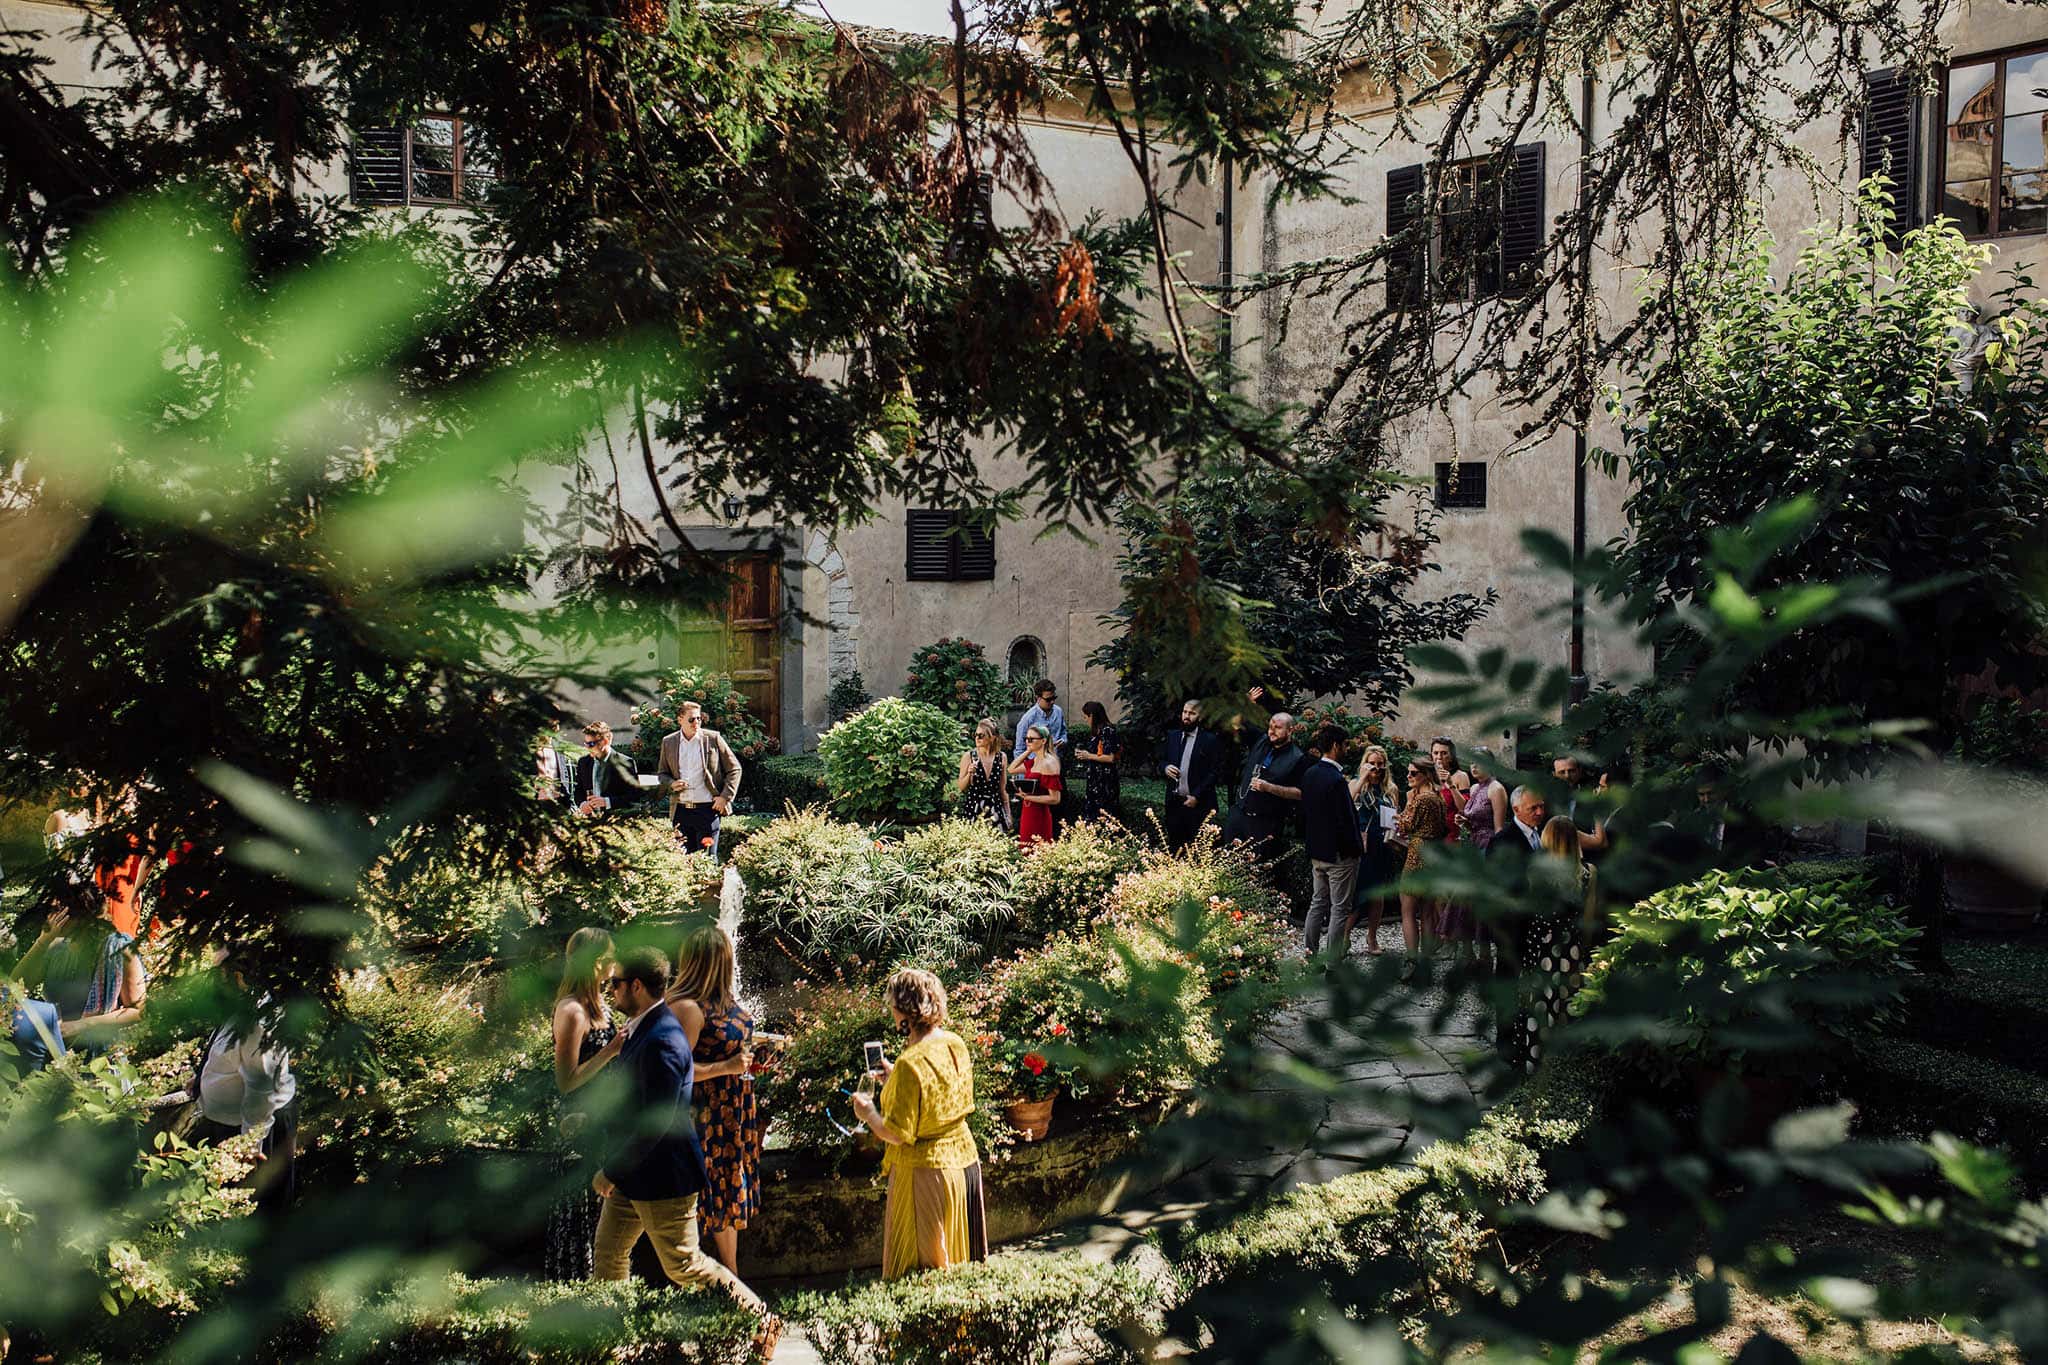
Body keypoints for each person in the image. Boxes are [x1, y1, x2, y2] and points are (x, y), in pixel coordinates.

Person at [590, 947, 779, 1356]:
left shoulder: (664, 1039)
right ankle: (611, 1347)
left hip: (662, 1174)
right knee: (608, 1255)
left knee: (684, 1264)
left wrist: (613, 1169)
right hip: (635, 1171)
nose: (611, 991)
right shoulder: (644, 1027)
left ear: (636, 987)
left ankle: (761, 1319)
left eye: (616, 984)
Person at [848, 968, 988, 1279]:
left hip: (926, 1173)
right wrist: (894, 1074)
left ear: (904, 1010)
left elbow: (897, 1133)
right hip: (965, 1165)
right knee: (961, 1259)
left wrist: (868, 1113)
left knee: (923, 1266)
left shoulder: (910, 1063)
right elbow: (938, 1092)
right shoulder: (954, 1043)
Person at [667, 924, 762, 1277]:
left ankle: (731, 1277)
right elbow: (678, 1070)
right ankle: (716, 1280)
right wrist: (727, 1066)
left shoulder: (723, 1001)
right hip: (705, 1113)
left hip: (732, 1110)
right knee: (705, 1195)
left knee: (726, 1192)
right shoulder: (688, 1008)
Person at [190, 955, 299, 1217]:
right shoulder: (242, 1009)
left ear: (238, 978)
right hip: (233, 1123)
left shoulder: (256, 1022)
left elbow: (261, 1089)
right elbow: (232, 1057)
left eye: (218, 975)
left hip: (254, 1129)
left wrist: (249, 1146)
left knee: (259, 1210)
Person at [545, 927, 623, 1281]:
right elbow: (566, 1081)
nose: (614, 962)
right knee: (582, 1226)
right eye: (609, 956)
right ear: (595, 963)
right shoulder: (572, 1011)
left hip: (605, 1125)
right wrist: (611, 1051)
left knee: (604, 1226)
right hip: (580, 1129)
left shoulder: (600, 1005)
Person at [1508, 817, 1598, 1073]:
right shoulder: (1590, 873)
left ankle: (1535, 1067)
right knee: (1568, 1010)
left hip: (1541, 948)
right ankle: (1566, 1072)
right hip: (1572, 948)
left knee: (1539, 1010)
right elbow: (1589, 919)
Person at [13, 900, 147, 1053]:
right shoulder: (55, 947)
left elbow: (137, 1011)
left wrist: (80, 1025)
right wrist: (42, 942)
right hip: (52, 1046)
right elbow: (13, 988)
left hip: (97, 1052)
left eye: (57, 911)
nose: (50, 917)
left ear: (81, 916)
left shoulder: (118, 949)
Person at [1224, 691, 1310, 864]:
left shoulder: (1298, 758)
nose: (1271, 731)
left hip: (1265, 823)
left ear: (1290, 730)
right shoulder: (1261, 739)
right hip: (1239, 814)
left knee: (1257, 871)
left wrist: (1269, 787)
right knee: (1227, 862)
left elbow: (1300, 793)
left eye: (1277, 728)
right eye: (1270, 726)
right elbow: (1234, 725)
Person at [1300, 726, 1363, 957]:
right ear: (1336, 745)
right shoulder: (1335, 779)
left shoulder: (1310, 773)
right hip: (1338, 854)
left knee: (1317, 904)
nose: (1347, 749)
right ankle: (1333, 965)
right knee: (1339, 909)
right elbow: (1344, 820)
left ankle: (1310, 955)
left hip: (1317, 851)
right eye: (1346, 744)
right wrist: (1355, 850)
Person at [659, 702, 743, 857]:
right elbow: (662, 774)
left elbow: (735, 769)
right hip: (681, 811)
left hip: (708, 810)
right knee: (683, 863)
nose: (696, 722)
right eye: (691, 719)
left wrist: (725, 797)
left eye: (699, 719)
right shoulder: (669, 742)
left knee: (708, 862)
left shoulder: (712, 738)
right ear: (680, 719)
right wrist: (672, 784)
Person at [1344, 745, 1401, 955]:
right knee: (1359, 894)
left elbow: (1396, 815)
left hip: (1382, 844)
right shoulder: (1355, 784)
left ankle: (1372, 939)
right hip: (1362, 845)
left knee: (1378, 894)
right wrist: (1363, 778)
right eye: (1372, 764)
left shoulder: (1391, 789)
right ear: (1364, 764)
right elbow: (1347, 802)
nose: (1376, 768)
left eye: (1380, 764)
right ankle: (1344, 938)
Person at [1393, 758, 1447, 971]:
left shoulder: (1420, 798)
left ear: (1425, 774)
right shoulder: (1438, 797)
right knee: (1427, 910)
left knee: (1407, 908)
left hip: (1417, 853)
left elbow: (1406, 825)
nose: (1408, 776)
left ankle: (1412, 959)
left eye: (1413, 773)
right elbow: (1443, 828)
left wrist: (1398, 817)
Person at [1161, 699, 1222, 851]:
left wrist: (1196, 795)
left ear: (1200, 717)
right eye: (1185, 712)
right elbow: (1161, 760)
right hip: (1174, 803)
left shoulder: (1209, 740)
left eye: (1192, 713)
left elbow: (1215, 772)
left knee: (1198, 850)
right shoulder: (1172, 736)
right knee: (1175, 848)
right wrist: (1165, 767)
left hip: (1199, 805)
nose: (1186, 716)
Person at [1009, 725, 1063, 847]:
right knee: (1025, 847)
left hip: (1039, 813)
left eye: (1031, 739)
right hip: (1028, 811)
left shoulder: (1048, 763)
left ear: (1043, 741)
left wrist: (1028, 798)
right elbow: (1011, 769)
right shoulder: (1035, 760)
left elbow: (1055, 798)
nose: (1028, 741)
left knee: (1038, 849)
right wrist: (1028, 750)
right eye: (1026, 739)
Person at [574, 721, 640, 818]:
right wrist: (582, 804)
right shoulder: (583, 762)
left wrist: (607, 802)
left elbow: (634, 797)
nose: (588, 748)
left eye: (591, 744)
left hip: (617, 822)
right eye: (586, 744)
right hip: (589, 821)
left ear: (606, 740)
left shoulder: (626, 763)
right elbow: (578, 791)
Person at [956, 718, 1012, 831]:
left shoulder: (1001, 758)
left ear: (992, 737)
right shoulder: (969, 757)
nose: (977, 738)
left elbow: (1002, 790)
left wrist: (1008, 814)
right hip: (974, 807)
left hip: (995, 808)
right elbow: (961, 787)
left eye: (981, 735)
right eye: (975, 735)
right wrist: (969, 773)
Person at [1073, 701, 1123, 822]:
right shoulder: (1097, 732)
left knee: (1104, 815)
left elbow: (1111, 757)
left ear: (1092, 715)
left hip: (1105, 781)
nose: (1086, 720)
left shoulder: (1107, 731)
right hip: (1095, 780)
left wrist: (1089, 755)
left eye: (1086, 717)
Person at [1552, 755, 1610, 855]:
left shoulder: (1590, 795)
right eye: (1562, 772)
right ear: (1554, 774)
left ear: (1579, 771)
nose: (1567, 776)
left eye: (1571, 771)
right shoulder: (1546, 800)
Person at [1464, 748, 1509, 852]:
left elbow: (1499, 829)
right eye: (1471, 762)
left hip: (1488, 846)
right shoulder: (1474, 788)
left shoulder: (1496, 788)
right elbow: (1474, 825)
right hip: (1472, 844)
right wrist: (1464, 822)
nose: (1474, 766)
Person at [1012, 679, 1066, 758]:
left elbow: (1063, 732)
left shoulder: (1058, 712)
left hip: (1055, 763)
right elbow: (1019, 750)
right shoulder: (1028, 719)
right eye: (1048, 700)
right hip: (1035, 766)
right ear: (1038, 698)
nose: (1052, 702)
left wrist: (1063, 740)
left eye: (1054, 698)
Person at [535, 724, 575, 805]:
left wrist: (566, 794)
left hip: (559, 799)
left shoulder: (557, 744)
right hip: (539, 800)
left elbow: (563, 771)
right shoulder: (533, 747)